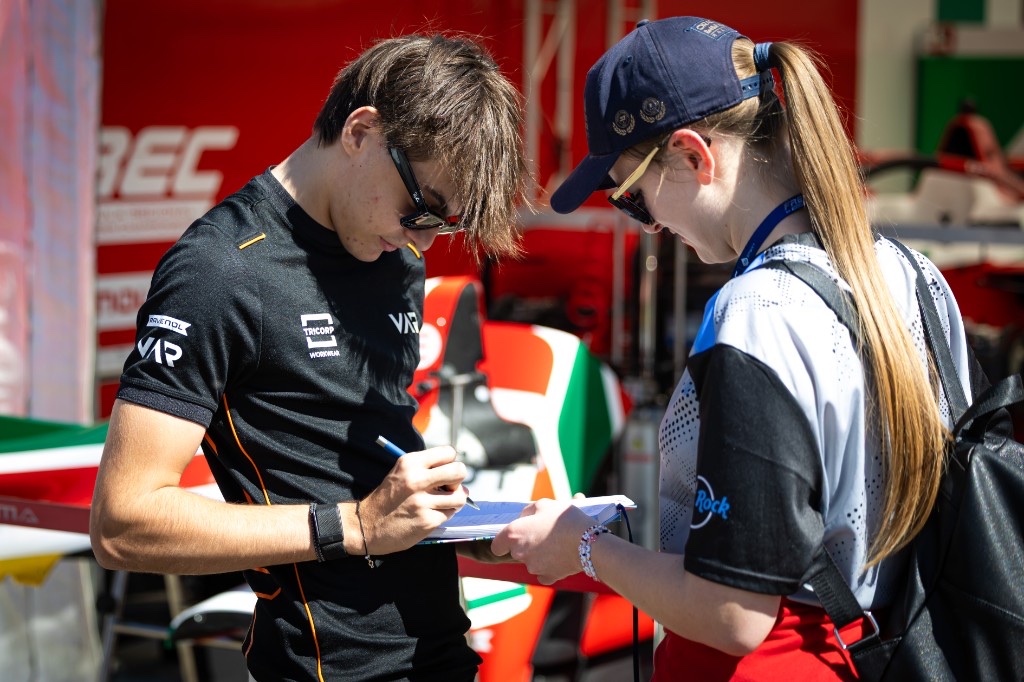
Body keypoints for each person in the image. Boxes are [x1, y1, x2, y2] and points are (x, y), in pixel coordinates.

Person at [491, 16, 980, 680]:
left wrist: (584, 547)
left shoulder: (756, 313)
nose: (652, 226)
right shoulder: (917, 275)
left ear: (695, 156)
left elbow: (733, 613)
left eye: (633, 199)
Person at [90, 33, 529, 681]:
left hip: (441, 647)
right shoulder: (219, 270)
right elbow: (123, 524)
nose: (423, 243)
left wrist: (458, 521)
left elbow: (352, 455)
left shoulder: (393, 252)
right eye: (422, 209)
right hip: (325, 665)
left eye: (444, 224)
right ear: (360, 132)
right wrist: (352, 525)